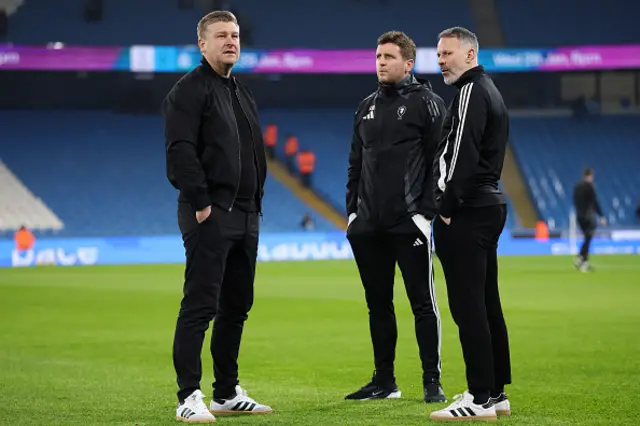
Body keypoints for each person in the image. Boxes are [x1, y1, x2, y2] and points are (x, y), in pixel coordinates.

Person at [163, 10, 272, 423]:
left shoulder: (241, 91)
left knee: (237, 305)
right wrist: (202, 201)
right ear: (202, 44)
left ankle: (225, 392)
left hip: (246, 214)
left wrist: (255, 202)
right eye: (222, 35)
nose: (231, 41)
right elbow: (180, 152)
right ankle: (188, 395)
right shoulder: (187, 91)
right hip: (210, 213)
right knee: (200, 305)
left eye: (236, 35)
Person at [345, 30, 447, 404]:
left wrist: (425, 214)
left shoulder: (429, 103)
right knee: (378, 304)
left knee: (423, 302)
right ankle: (384, 381)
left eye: (389, 57)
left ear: (408, 63)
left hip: (409, 223)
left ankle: (432, 379)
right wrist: (353, 212)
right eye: (377, 56)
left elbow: (440, 161)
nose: (381, 63)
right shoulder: (364, 107)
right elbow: (355, 162)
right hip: (368, 224)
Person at [429, 27, 511, 422]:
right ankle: (494, 393)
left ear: (470, 53)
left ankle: (478, 397)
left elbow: (460, 152)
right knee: (485, 302)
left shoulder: (469, 92)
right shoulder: (490, 90)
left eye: (447, 53)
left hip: (467, 210)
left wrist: (445, 205)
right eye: (439, 54)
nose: (440, 60)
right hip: (487, 204)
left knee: (468, 306)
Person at [572, 167, 606, 272]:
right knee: (588, 237)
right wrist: (601, 216)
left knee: (587, 237)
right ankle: (582, 260)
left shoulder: (577, 187)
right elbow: (594, 202)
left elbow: (575, 201)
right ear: (591, 175)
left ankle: (581, 258)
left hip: (579, 216)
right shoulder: (590, 187)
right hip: (588, 216)